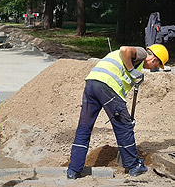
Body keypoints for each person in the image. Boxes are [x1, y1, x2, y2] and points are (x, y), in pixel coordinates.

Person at [67, 44, 169, 179]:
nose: (153, 68)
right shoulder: (143, 53)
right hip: (107, 86)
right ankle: (133, 166)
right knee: (124, 127)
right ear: (154, 59)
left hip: (91, 84)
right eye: (156, 66)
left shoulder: (136, 62)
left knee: (84, 127)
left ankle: (73, 170)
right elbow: (125, 49)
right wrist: (132, 70)